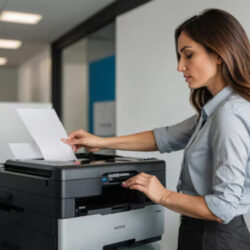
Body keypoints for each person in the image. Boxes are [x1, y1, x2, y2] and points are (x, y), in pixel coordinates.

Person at [62, 8, 250, 250]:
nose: (180, 66)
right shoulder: (215, 111)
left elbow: (222, 208)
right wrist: (101, 142)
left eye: (188, 55)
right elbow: (164, 137)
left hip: (216, 238)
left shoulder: (228, 115)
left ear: (219, 54)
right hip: (204, 233)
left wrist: (162, 195)